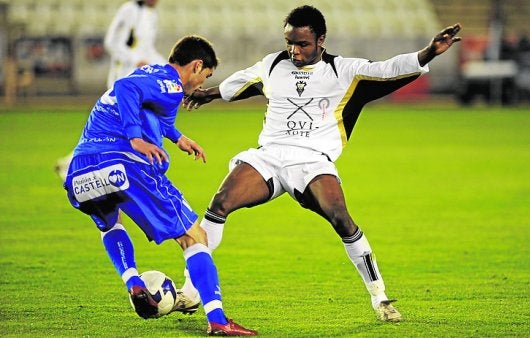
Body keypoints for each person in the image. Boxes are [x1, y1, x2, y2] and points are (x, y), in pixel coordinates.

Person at [185, 5, 461, 323]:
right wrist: (211, 94)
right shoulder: (273, 64)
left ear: (321, 41)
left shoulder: (344, 71)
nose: (294, 50)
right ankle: (190, 291)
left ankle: (380, 296)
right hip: (269, 155)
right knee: (219, 204)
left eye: (302, 43)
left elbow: (389, 68)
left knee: (341, 219)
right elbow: (240, 83)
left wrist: (430, 51)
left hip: (313, 160)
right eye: (290, 42)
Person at [63, 35, 257, 336]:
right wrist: (135, 138)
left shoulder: (152, 75)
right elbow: (124, 89)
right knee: (195, 238)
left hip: (81, 170)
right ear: (196, 66)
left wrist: (179, 138)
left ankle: (134, 282)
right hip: (125, 163)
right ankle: (218, 320)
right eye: (204, 77)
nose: (199, 86)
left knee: (110, 224)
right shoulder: (172, 84)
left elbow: (151, 109)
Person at [55, 0, 166, 180]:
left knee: (116, 130)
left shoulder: (152, 15)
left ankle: (71, 163)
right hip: (122, 82)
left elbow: (147, 50)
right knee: (117, 129)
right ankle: (74, 165)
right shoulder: (129, 10)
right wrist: (134, 59)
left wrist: (166, 67)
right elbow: (112, 42)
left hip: (137, 83)